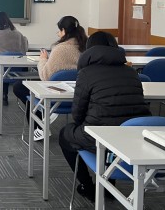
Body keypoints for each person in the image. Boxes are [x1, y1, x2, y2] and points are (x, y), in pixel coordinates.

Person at [58, 31, 151, 203]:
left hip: (100, 136)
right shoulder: (131, 72)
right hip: (133, 137)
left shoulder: (86, 73)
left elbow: (77, 114)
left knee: (65, 134)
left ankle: (87, 186)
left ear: (89, 49)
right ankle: (108, 186)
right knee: (114, 127)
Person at [13, 15, 87, 140]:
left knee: (20, 87)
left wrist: (43, 60)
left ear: (64, 31)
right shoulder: (85, 47)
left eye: (59, 31)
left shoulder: (59, 49)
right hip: (79, 97)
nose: (58, 34)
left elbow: (45, 76)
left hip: (55, 96)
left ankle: (39, 126)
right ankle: (42, 120)